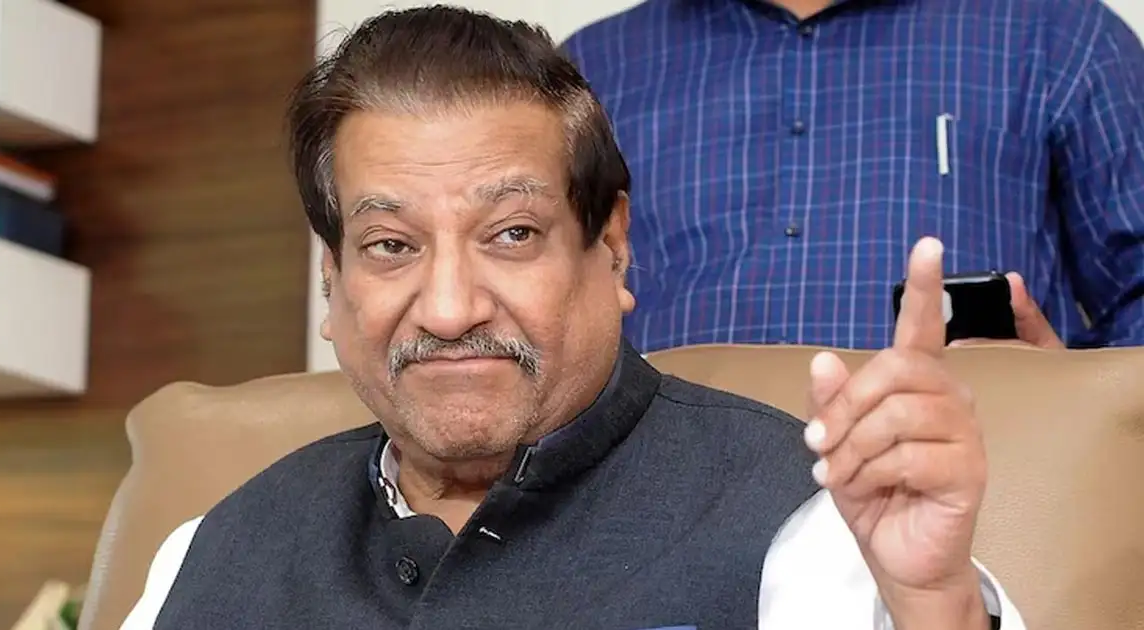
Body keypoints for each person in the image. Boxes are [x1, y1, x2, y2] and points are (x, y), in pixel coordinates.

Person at [120, 7, 1024, 629]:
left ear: (612, 245)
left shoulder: (810, 521)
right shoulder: (207, 553)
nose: (449, 309)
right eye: (391, 245)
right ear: (333, 278)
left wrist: (933, 607)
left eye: (512, 234)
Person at [563, 0, 1144, 352]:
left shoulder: (1061, 36)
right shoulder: (592, 69)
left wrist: (1071, 403)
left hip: (990, 489)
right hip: (655, 502)